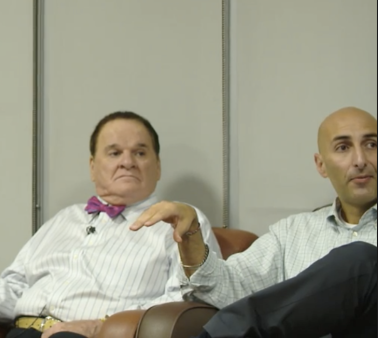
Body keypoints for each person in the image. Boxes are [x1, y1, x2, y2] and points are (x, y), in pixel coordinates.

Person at [0, 111, 223, 338]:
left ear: (158, 167)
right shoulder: (63, 220)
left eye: (140, 152)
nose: (127, 161)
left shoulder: (181, 221)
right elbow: (13, 293)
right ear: (93, 167)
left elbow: (186, 300)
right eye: (114, 153)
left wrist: (102, 326)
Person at [131, 106, 377, 338]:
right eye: (343, 147)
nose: (360, 160)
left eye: (371, 144)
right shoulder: (293, 233)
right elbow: (231, 287)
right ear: (321, 165)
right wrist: (191, 237)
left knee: (362, 260)